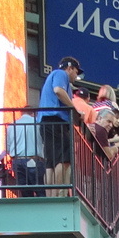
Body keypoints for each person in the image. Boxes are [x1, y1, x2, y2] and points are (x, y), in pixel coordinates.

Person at [38, 55, 82, 187]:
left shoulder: (52, 76)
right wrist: (74, 109)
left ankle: (52, 195)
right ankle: (60, 192)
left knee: (50, 162)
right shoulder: (60, 74)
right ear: (70, 68)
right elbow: (58, 90)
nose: (76, 76)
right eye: (76, 72)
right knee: (62, 159)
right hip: (55, 120)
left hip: (46, 121)